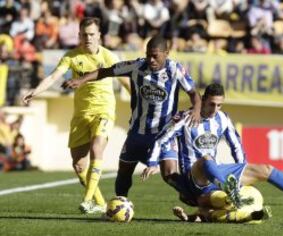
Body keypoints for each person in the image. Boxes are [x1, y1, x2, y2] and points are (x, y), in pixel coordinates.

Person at [142, 83, 283, 212]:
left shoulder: (223, 119)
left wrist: (242, 168)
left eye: (219, 105)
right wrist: (152, 163)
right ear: (203, 99)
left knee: (266, 169)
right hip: (195, 176)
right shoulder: (185, 118)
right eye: (212, 104)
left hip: (217, 174)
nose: (215, 109)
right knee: (207, 160)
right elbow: (162, 139)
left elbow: (236, 146)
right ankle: (231, 190)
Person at [62, 35, 202, 198]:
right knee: (124, 171)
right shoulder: (136, 66)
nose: (150, 59)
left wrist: (196, 110)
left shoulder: (175, 70)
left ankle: (198, 199)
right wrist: (82, 80)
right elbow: (106, 71)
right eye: (148, 54)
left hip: (164, 134)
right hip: (137, 132)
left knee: (170, 174)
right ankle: (120, 203)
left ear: (166, 53)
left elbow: (194, 92)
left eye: (155, 55)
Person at [23, 17, 130, 214]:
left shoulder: (110, 57)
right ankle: (100, 203)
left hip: (104, 110)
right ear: (79, 35)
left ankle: (87, 199)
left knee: (97, 147)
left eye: (91, 34)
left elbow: (126, 84)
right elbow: (54, 76)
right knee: (80, 167)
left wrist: (140, 104)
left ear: (99, 36)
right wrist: (35, 91)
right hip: (81, 114)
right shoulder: (71, 56)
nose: (88, 38)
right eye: (84, 35)